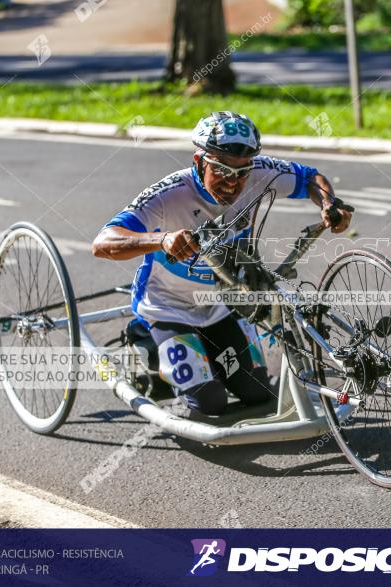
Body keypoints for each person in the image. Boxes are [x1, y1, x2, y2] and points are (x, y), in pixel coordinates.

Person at [92, 111, 353, 415]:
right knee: (210, 403)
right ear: (199, 161)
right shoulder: (168, 194)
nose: (234, 183)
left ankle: (204, 358)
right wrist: (161, 240)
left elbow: (310, 178)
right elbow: (103, 243)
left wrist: (328, 203)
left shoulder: (258, 173)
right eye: (223, 171)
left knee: (257, 392)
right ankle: (147, 346)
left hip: (221, 307)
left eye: (242, 173)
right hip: (168, 310)